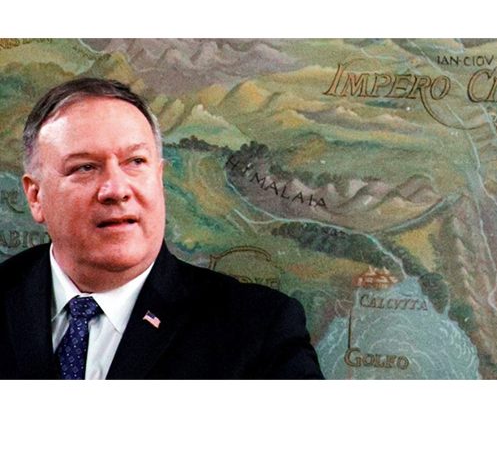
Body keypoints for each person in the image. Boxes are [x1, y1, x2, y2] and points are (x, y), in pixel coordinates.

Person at [0, 77, 324, 379]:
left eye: (135, 162)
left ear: (159, 177)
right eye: (85, 167)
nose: (117, 189)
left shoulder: (261, 330)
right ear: (36, 196)